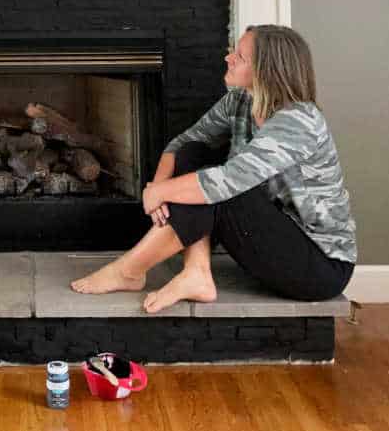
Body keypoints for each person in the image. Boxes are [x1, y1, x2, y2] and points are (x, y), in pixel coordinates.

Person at [71, 25, 356, 313]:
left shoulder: (297, 121)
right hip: (270, 235)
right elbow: (183, 142)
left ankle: (129, 270)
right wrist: (155, 188)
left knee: (222, 188)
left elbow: (227, 181)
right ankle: (197, 272)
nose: (228, 58)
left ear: (266, 71)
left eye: (240, 57)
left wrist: (161, 192)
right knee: (191, 154)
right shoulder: (240, 100)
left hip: (318, 265)